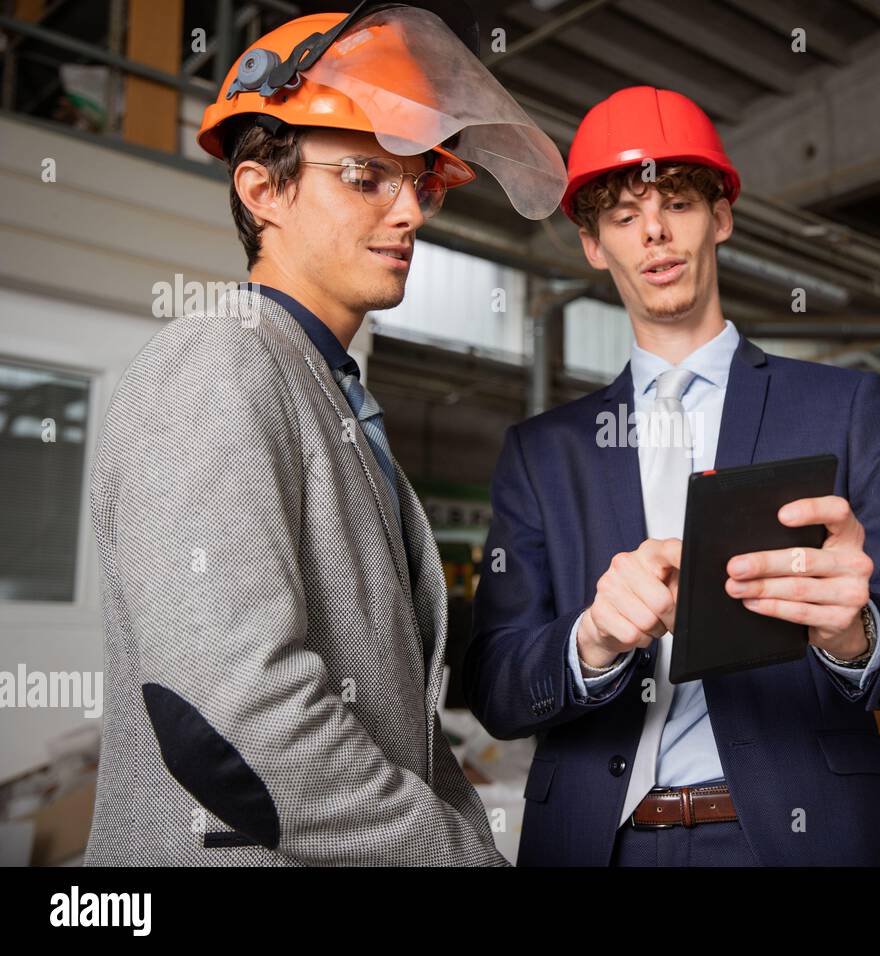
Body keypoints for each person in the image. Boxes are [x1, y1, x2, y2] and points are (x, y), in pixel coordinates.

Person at [85, 2, 565, 866]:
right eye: (364, 177)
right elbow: (234, 718)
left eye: (417, 182)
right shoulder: (219, 363)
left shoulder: (325, 390)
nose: (411, 213)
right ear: (262, 189)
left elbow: (388, 716)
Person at [466, 86, 880, 866]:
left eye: (677, 203)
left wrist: (856, 633)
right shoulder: (543, 453)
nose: (656, 234)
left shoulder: (842, 407)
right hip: (599, 844)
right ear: (594, 246)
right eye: (625, 217)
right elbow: (498, 687)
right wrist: (591, 641)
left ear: (722, 218)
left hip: (798, 840)